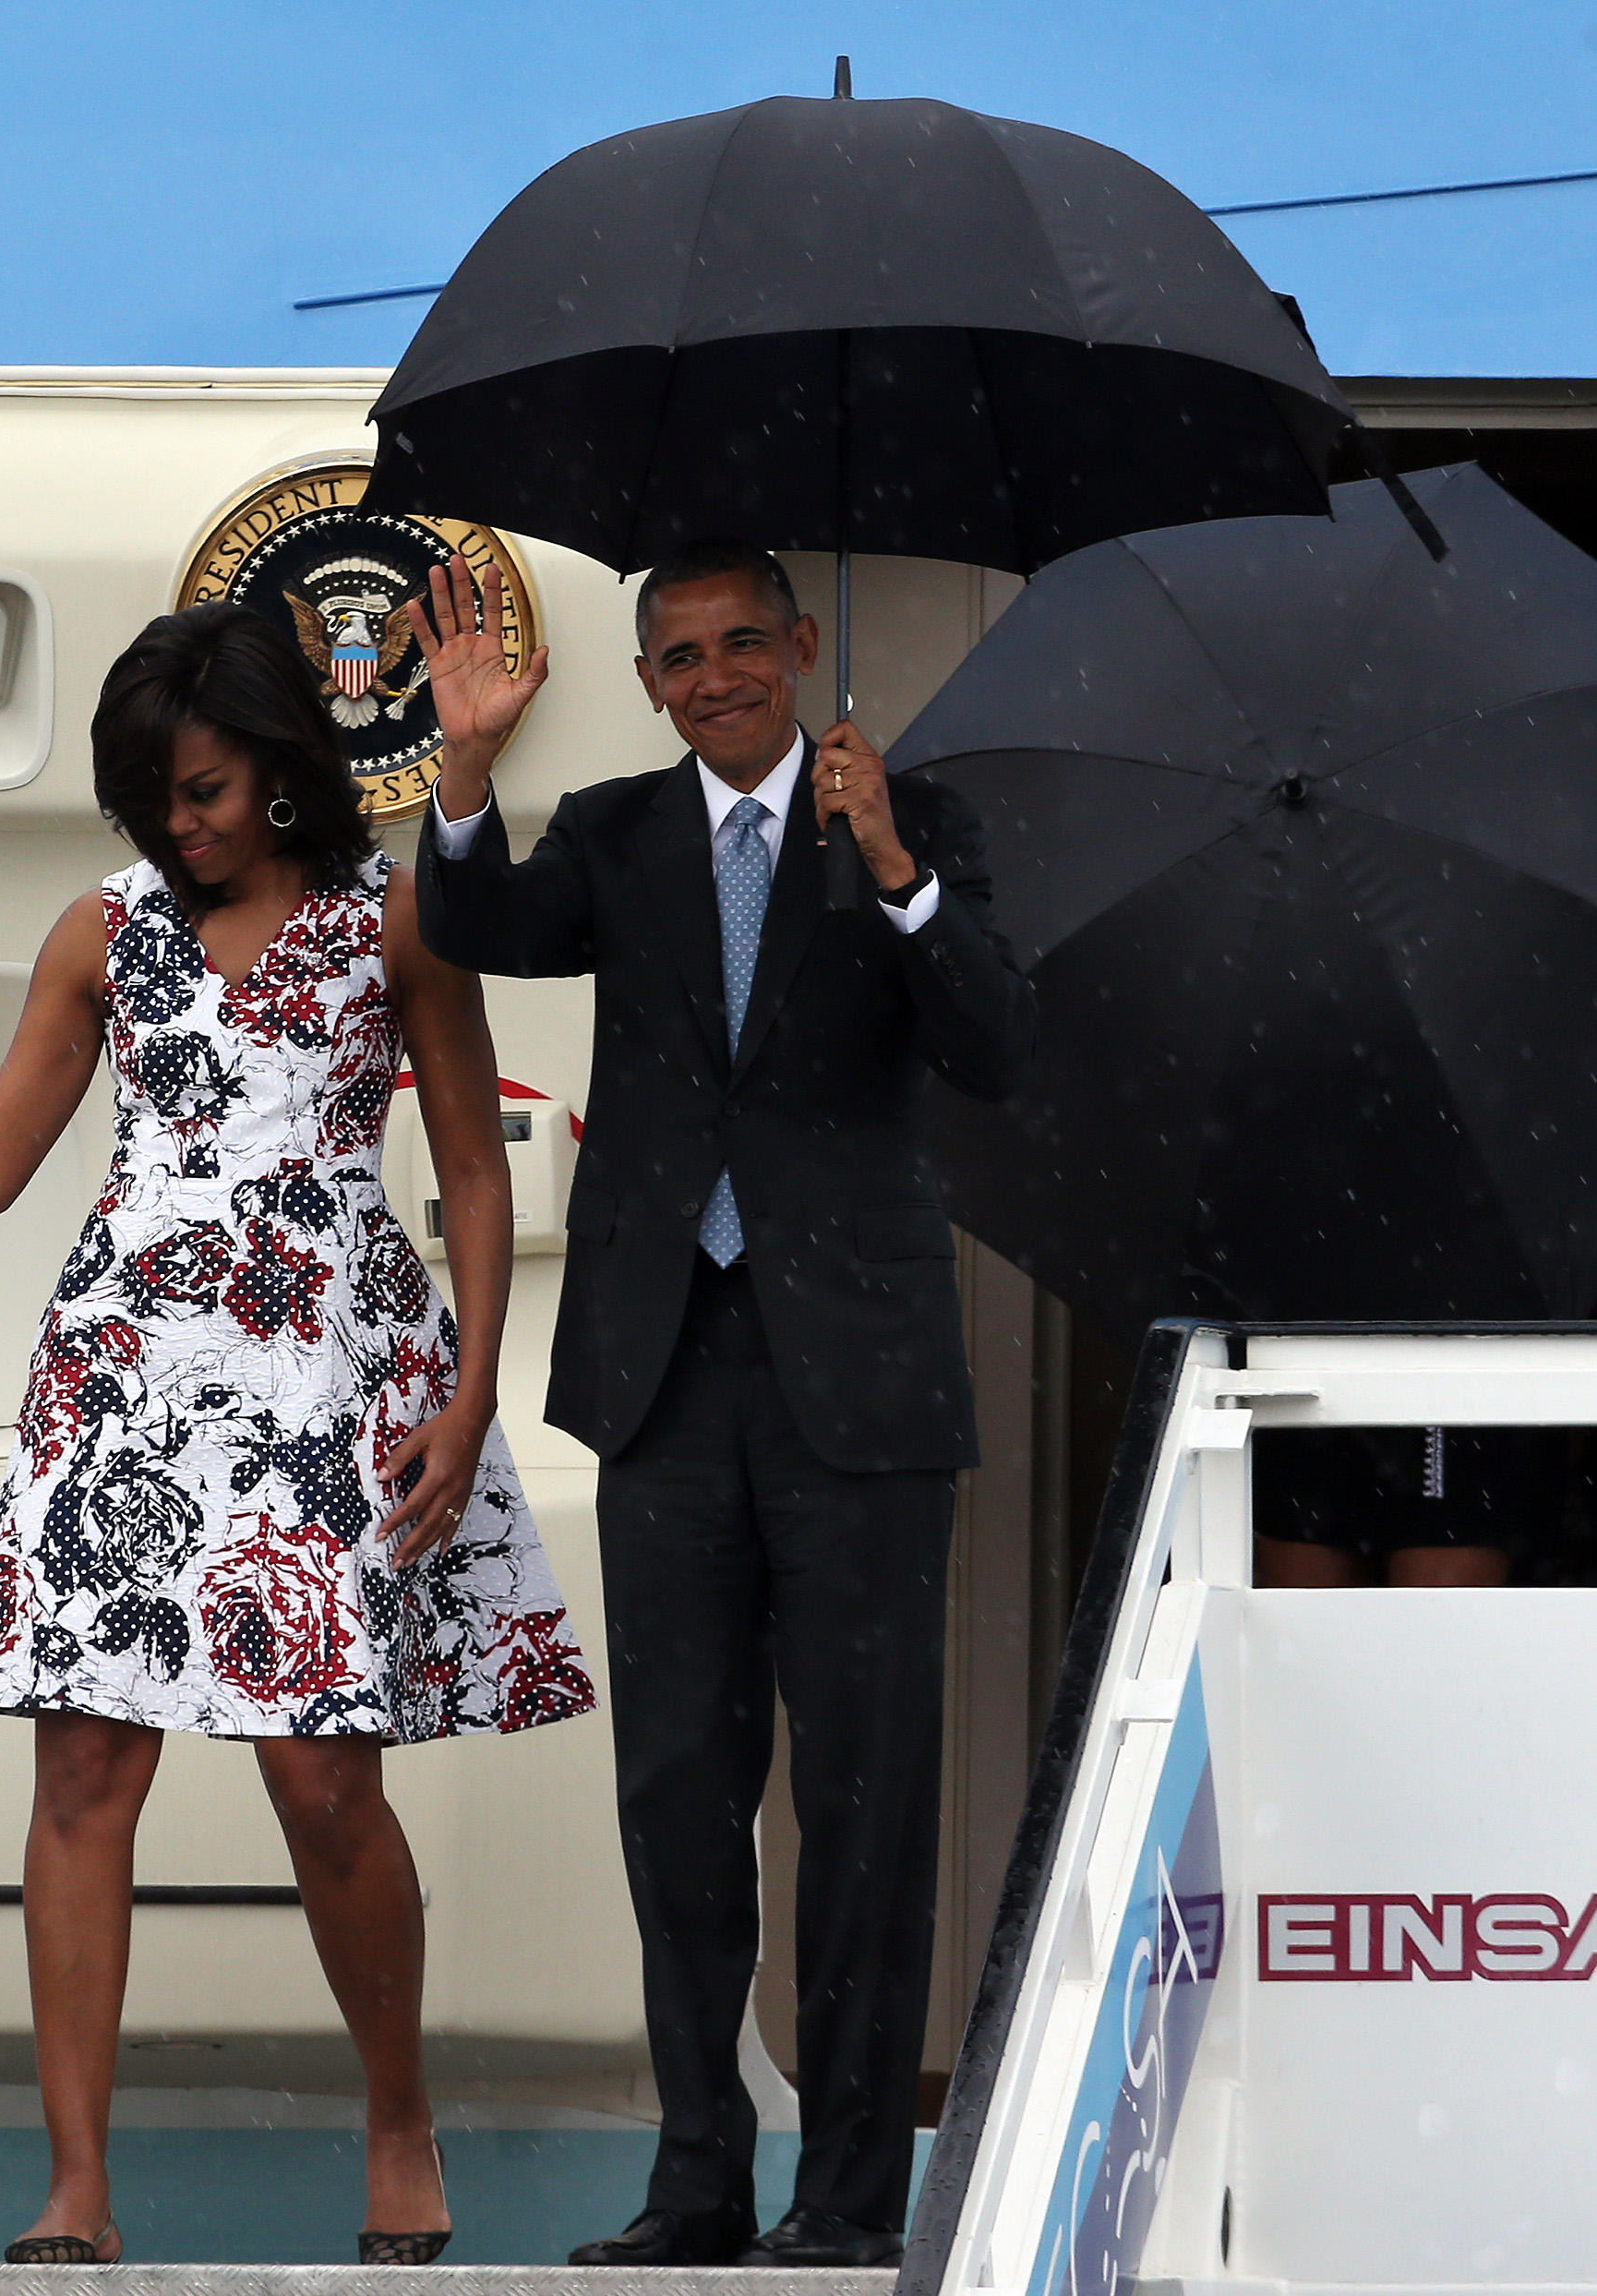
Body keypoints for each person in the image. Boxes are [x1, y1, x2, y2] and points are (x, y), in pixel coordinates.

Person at [0, 602, 595, 2266]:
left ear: (288, 772)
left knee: (324, 1787)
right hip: (126, 1381)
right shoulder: (102, 935)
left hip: (330, 1373)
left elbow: (469, 1169)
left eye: (213, 789)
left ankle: (399, 2122)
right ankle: (77, 2192)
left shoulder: (396, 928)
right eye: (159, 796)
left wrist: (468, 1397)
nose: (184, 823)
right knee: (87, 1772)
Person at [407, 542, 1039, 2267]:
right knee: (679, 1791)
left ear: (802, 644)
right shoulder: (614, 833)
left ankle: (846, 2201)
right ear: (650, 682)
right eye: (678, 657)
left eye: (742, 643)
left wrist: (893, 862)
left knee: (863, 1800)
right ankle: (696, 2181)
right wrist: (463, 762)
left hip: (863, 1389)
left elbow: (995, 1040)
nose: (714, 678)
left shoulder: (921, 821)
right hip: (666, 1372)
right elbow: (473, 923)